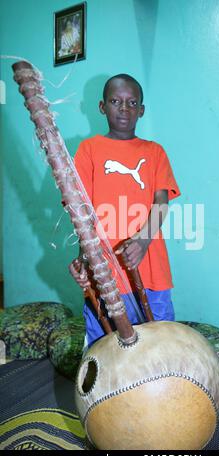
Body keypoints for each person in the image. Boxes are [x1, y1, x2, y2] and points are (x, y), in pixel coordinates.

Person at [69, 74, 180, 348]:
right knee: (103, 349)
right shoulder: (88, 150)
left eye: (132, 103)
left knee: (161, 345)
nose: (124, 108)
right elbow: (81, 213)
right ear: (102, 106)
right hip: (103, 270)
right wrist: (83, 257)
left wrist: (142, 241)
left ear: (141, 110)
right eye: (115, 101)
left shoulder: (154, 152)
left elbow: (161, 203)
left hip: (151, 267)